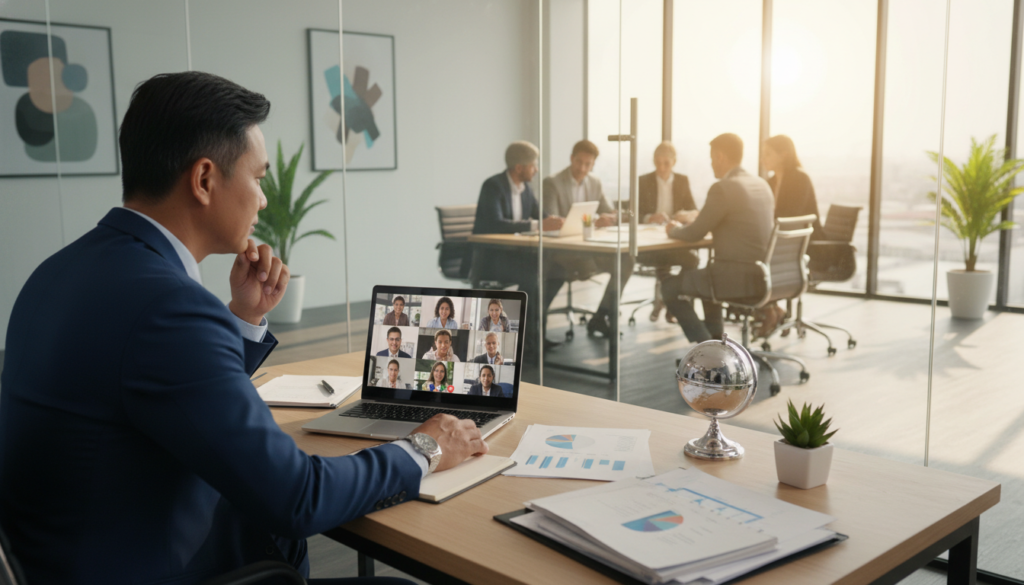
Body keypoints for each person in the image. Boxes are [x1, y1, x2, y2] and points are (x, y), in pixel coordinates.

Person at [0, 71, 488, 585]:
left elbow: (151, 388)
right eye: (258, 177)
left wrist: (242, 318)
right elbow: (299, 497)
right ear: (205, 179)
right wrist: (425, 448)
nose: (262, 199)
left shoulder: (60, 270)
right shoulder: (169, 306)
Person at [661, 133, 774, 343]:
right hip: (764, 275)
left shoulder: (723, 188)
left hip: (735, 277)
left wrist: (673, 230)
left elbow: (694, 233)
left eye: (712, 158)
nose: (711, 164)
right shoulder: (761, 185)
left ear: (720, 156)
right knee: (705, 279)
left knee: (668, 287)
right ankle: (714, 341)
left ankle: (704, 343)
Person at [472, 141, 563, 358]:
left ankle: (534, 333)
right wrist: (538, 225)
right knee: (534, 275)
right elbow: (496, 224)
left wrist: (558, 221)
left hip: (516, 256)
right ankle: (528, 339)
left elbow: (542, 216)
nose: (536, 169)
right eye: (533, 165)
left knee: (557, 271)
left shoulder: (525, 189)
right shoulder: (493, 186)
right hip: (492, 258)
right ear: (520, 167)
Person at [541, 140, 634, 337]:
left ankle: (601, 316)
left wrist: (610, 218)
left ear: (593, 165)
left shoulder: (595, 182)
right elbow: (552, 221)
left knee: (626, 260)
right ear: (571, 159)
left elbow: (609, 211)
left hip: (590, 249)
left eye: (588, 164)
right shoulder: (552, 182)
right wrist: (593, 222)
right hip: (563, 251)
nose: (582, 168)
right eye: (579, 162)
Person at [637, 141, 699, 324]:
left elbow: (694, 211)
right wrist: (650, 217)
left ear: (674, 162)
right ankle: (670, 300)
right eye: (658, 162)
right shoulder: (644, 181)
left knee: (692, 259)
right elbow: (634, 213)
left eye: (666, 163)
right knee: (663, 262)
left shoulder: (682, 181)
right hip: (649, 240)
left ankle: (672, 297)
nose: (661, 167)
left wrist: (684, 215)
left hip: (673, 238)